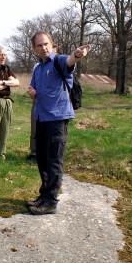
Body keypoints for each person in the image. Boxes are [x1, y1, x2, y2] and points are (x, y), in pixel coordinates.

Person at [26, 31, 90, 215]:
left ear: (51, 44)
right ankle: (44, 196)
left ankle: (51, 202)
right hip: (41, 118)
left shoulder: (58, 61)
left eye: (46, 44)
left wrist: (76, 55)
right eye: (39, 45)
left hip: (57, 119)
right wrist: (32, 92)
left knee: (54, 161)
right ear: (34, 48)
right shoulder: (38, 68)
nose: (43, 47)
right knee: (42, 160)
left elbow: (70, 61)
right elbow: (33, 89)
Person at [27, 44, 58, 163]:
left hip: (53, 104)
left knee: (52, 131)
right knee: (35, 128)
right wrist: (31, 92)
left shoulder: (59, 64)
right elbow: (32, 85)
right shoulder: (38, 66)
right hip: (38, 101)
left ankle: (49, 155)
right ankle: (34, 153)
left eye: (53, 50)